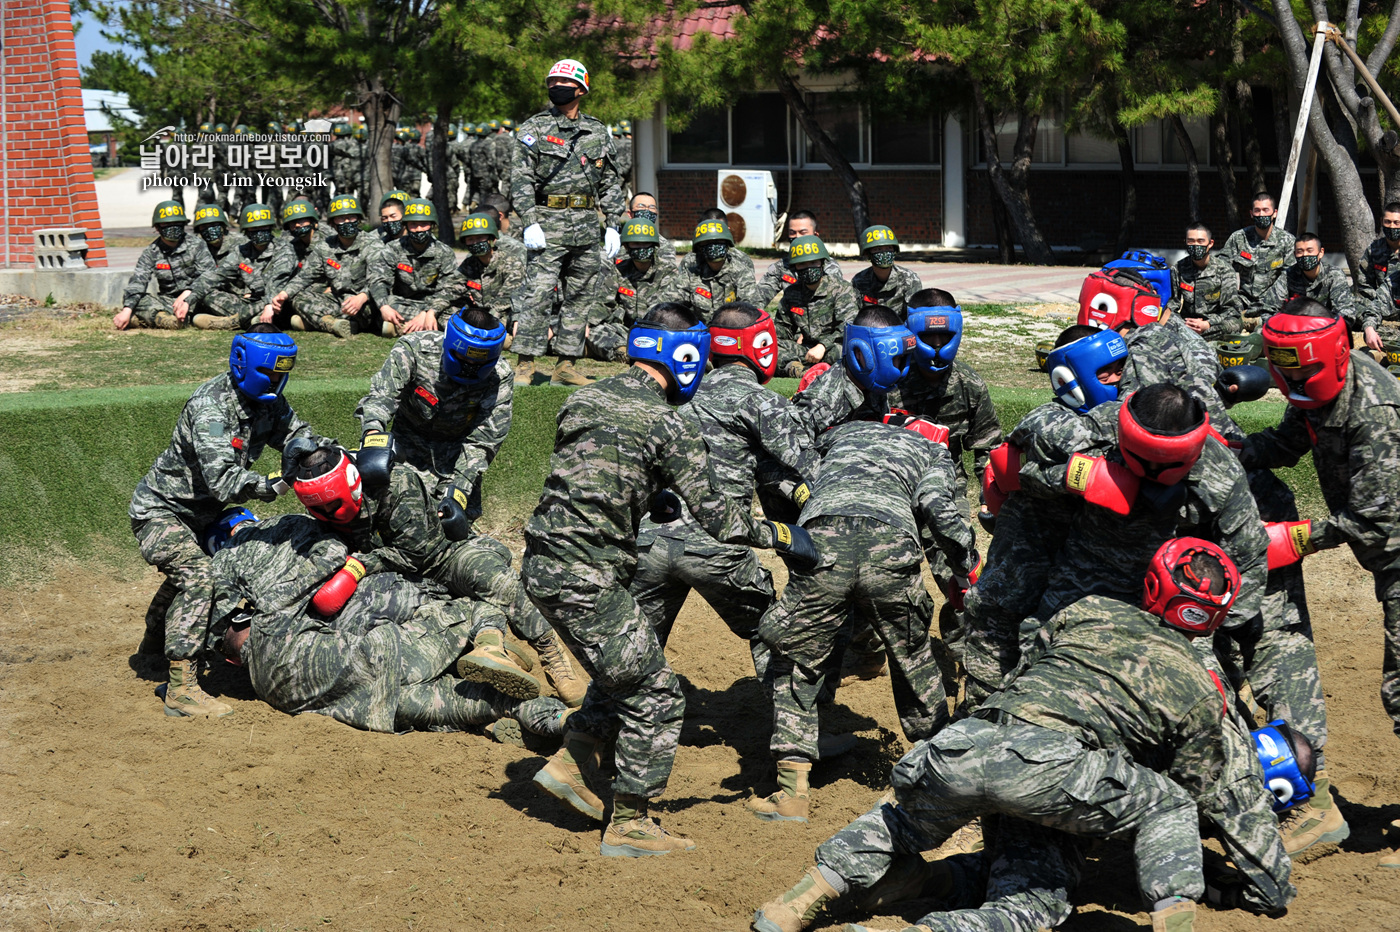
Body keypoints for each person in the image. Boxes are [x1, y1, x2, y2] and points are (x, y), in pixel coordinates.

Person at [752, 539, 1295, 932]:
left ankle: (798, 902)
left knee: (899, 820)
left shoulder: (1089, 612)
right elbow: (1202, 785)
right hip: (1053, 771)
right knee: (1166, 808)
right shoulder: (1202, 688)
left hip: (965, 745)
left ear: (1151, 584)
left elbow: (1035, 668)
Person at [520, 303, 817, 857]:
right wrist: (783, 536)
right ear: (684, 356)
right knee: (657, 695)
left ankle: (573, 759)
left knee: (626, 666)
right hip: (588, 577)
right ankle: (632, 824)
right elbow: (720, 519)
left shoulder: (582, 397)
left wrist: (648, 492)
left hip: (541, 565)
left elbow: (593, 470)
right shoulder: (670, 421)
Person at [749, 325, 979, 821]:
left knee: (801, 660)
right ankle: (936, 778)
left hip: (824, 541)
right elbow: (941, 512)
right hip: (890, 547)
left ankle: (791, 790)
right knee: (914, 662)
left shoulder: (840, 435)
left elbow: (780, 472)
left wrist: (804, 513)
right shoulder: (930, 451)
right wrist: (968, 568)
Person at [351, 309, 586, 704]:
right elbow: (379, 399)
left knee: (479, 565)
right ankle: (488, 638)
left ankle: (550, 652)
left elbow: (483, 442)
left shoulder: (500, 377)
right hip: (400, 466)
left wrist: (458, 491)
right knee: (426, 582)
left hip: (454, 469)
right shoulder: (413, 351)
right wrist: (374, 440)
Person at [1240, 300, 1400, 867]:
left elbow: (1377, 520)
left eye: (1302, 372)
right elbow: (1287, 441)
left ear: (1328, 357)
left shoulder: (1373, 409)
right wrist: (1230, 447)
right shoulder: (1319, 393)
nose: (1293, 383)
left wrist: (1296, 536)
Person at [209, 512, 568, 740]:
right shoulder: (277, 599)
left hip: (358, 703)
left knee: (470, 702)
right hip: (382, 650)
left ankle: (544, 719)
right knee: (476, 608)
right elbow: (332, 568)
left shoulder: (223, 606)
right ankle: (491, 645)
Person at [129, 327, 320, 717]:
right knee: (199, 577)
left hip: (205, 516)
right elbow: (222, 480)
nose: (276, 382)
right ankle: (181, 688)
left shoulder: (269, 401)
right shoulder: (211, 409)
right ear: (242, 363)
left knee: (194, 572)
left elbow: (299, 436)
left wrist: (324, 458)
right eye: (270, 373)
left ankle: (152, 647)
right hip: (163, 512)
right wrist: (275, 485)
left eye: (282, 373)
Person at [630, 303, 818, 677]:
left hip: (649, 542)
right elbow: (813, 469)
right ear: (761, 344)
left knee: (633, 657)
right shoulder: (762, 401)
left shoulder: (681, 393)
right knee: (775, 635)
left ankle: (593, 730)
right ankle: (796, 733)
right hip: (715, 544)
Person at [509, 59, 627, 388]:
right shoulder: (533, 128)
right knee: (537, 295)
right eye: (552, 82)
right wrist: (529, 221)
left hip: (587, 226)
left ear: (581, 89)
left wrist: (613, 223)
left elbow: (610, 182)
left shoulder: (597, 132)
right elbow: (520, 181)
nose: (556, 87)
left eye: (563, 82)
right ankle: (525, 364)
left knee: (580, 298)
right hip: (547, 225)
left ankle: (566, 364)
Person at [268, 194, 381, 337]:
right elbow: (305, 276)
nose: (346, 222)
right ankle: (333, 324)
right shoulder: (325, 247)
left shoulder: (373, 245)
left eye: (351, 217)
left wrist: (363, 296)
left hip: (365, 303)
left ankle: (316, 322)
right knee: (298, 298)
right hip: (338, 301)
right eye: (341, 218)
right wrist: (283, 294)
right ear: (333, 223)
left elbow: (380, 281)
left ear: (358, 219)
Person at [367, 198, 465, 335]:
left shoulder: (444, 252)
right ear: (405, 225)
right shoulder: (393, 248)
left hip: (434, 305)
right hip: (403, 303)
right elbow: (378, 279)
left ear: (432, 225)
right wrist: (384, 307)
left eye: (424, 224)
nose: (418, 229)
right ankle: (423, 327)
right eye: (413, 224)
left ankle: (402, 328)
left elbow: (448, 289)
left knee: (456, 312)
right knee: (379, 303)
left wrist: (428, 312)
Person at [114, 200, 216, 331]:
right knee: (138, 301)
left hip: (196, 297)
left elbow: (209, 274)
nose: (172, 228)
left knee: (214, 297)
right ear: (157, 228)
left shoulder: (197, 244)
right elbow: (138, 282)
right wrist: (126, 311)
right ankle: (167, 320)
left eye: (177, 223)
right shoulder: (151, 252)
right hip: (169, 303)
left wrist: (188, 294)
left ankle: (220, 321)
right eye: (166, 224)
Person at [585, 216, 676, 361]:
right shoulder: (619, 270)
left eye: (646, 244)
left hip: (659, 331)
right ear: (626, 247)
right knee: (593, 330)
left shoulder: (668, 271)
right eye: (636, 244)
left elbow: (669, 310)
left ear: (654, 246)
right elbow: (604, 304)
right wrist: (587, 323)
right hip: (628, 331)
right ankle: (621, 351)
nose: (641, 249)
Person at [773, 235, 860, 378]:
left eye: (813, 262)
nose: (808, 268)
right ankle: (802, 371)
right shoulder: (791, 293)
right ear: (795, 267)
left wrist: (822, 346)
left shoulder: (841, 288)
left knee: (847, 353)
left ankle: (809, 369)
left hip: (833, 348)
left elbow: (847, 327)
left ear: (822, 263)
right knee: (771, 349)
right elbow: (781, 332)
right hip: (806, 350)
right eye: (802, 264)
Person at [260, 198, 349, 336]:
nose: (298, 225)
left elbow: (343, 266)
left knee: (296, 297)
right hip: (303, 287)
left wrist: (333, 287)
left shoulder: (329, 239)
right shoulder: (290, 244)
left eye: (302, 221)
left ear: (312, 221)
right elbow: (281, 273)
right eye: (293, 223)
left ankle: (318, 322)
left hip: (330, 290)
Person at [186, 203, 280, 331]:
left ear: (223, 226)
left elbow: (252, 270)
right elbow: (212, 277)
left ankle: (235, 321)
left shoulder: (241, 244)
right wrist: (188, 298)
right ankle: (246, 320)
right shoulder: (197, 246)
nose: (210, 230)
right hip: (231, 299)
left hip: (254, 296)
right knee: (207, 296)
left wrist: (248, 292)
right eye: (205, 227)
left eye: (214, 225)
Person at [664, 218, 759, 320]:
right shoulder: (691, 274)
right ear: (699, 248)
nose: (714, 247)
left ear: (727, 244)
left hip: (732, 332)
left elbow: (752, 312)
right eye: (707, 243)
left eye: (719, 242)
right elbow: (667, 304)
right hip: (701, 333)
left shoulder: (742, 274)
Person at [1219, 191, 1295, 319]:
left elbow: (1288, 278)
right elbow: (1221, 268)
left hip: (1273, 304)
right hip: (1243, 301)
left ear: (1274, 213)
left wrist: (1270, 303)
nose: (1261, 214)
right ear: (1251, 214)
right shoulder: (1239, 238)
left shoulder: (1287, 241)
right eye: (1257, 210)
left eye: (1266, 210)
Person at [1167, 221, 1243, 340]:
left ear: (1210, 243)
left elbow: (1232, 310)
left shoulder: (1224, 270)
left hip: (1213, 324)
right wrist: (1184, 324)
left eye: (1200, 241)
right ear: (1185, 243)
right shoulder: (1178, 269)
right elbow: (1172, 306)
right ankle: (1188, 335)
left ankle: (1191, 337)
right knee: (1165, 323)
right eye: (1191, 241)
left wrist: (1207, 324)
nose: (1195, 245)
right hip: (1187, 323)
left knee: (1235, 324)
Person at [755, 210, 845, 305]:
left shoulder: (828, 265)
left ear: (816, 235)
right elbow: (759, 298)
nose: (797, 237)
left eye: (803, 232)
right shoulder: (781, 267)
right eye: (792, 233)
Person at [455, 211, 526, 329]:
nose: (475, 243)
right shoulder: (469, 263)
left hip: (505, 314)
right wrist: (432, 312)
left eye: (480, 238)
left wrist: (483, 322)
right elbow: (450, 287)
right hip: (479, 313)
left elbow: (504, 301)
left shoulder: (511, 263)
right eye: (470, 239)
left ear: (492, 239)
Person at [1273, 232, 1357, 328]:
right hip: (1293, 330)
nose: (1305, 255)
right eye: (1300, 251)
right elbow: (1270, 309)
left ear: (1321, 253)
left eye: (1309, 251)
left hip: (1325, 330)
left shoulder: (1334, 275)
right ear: (1294, 254)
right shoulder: (1287, 275)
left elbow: (1346, 313)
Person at [850, 225, 923, 318]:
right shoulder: (859, 281)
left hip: (900, 331)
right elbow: (854, 316)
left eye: (889, 248)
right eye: (878, 249)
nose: (884, 254)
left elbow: (915, 316)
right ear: (868, 254)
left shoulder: (910, 279)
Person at [1356, 201, 1400, 354]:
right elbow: (1364, 287)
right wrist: (1369, 325)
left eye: (1396, 223)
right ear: (1382, 222)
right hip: (1382, 306)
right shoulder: (1374, 250)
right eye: (1388, 222)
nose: (1392, 226)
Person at [626, 191, 678, 267]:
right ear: (630, 214)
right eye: (641, 206)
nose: (647, 210)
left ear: (656, 213)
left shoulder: (665, 246)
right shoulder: (617, 243)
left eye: (651, 207)